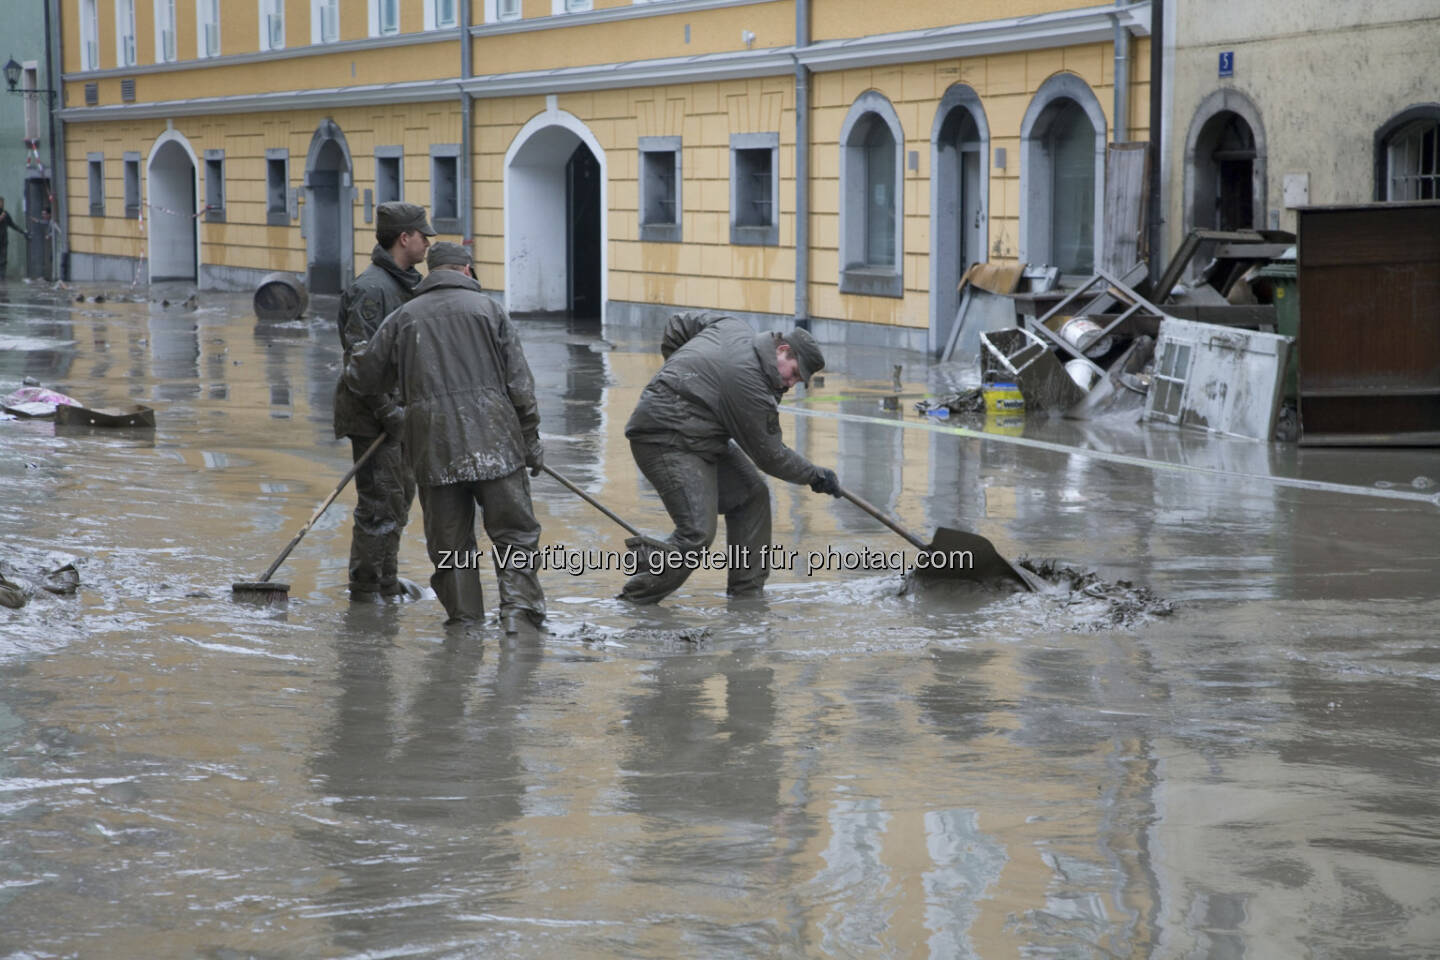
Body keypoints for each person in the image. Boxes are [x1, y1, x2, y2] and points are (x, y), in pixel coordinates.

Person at [344, 242, 547, 633]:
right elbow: (521, 386)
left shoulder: (404, 318)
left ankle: (466, 622)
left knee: (451, 545)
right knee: (515, 535)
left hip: (434, 449)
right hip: (498, 446)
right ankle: (519, 618)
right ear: (467, 271)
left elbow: (363, 377)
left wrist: (391, 377)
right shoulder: (491, 311)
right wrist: (531, 441)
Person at [620, 311, 841, 604]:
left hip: (704, 437)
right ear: (783, 350)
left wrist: (685, 376)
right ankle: (632, 602)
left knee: (752, 496)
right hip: (663, 438)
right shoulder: (750, 385)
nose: (791, 384)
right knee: (696, 534)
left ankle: (747, 597)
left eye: (799, 381)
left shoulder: (733, 325)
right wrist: (816, 476)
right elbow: (771, 456)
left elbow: (677, 325)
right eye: (795, 374)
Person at [333, 201, 434, 600]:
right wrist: (388, 411)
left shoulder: (406, 284)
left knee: (397, 502)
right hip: (373, 417)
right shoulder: (371, 289)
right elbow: (359, 360)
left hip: (399, 415)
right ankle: (366, 588)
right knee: (379, 506)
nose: (428, 242)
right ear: (404, 238)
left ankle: (387, 581)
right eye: (423, 234)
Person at [0, 197, 26, 278]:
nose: (1, 204)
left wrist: (22, 231)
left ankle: (2, 276)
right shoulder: (2, 215)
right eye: (0, 202)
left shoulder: (5, 214)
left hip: (3, 239)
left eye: (2, 202)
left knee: (3, 258)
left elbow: (12, 224)